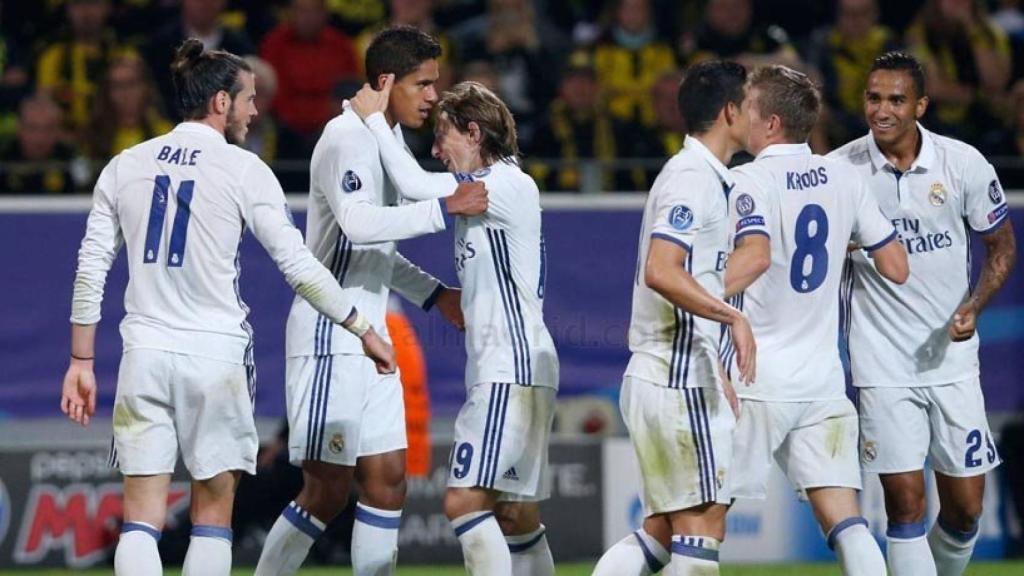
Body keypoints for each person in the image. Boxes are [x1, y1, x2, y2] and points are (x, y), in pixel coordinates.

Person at [58, 39, 395, 576]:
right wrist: (359, 326)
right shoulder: (244, 169)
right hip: (214, 357)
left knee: (141, 520)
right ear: (220, 102)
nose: (256, 111)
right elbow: (299, 264)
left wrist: (81, 361)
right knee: (213, 517)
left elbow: (90, 266)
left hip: (144, 352)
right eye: (249, 99)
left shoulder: (125, 165)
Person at [254, 26, 488, 576]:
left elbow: (374, 252)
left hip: (371, 332)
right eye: (422, 84)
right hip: (327, 334)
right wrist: (446, 208)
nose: (433, 96)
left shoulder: (384, 141)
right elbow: (359, 227)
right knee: (326, 490)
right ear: (387, 81)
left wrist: (433, 295)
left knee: (387, 481)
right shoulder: (344, 138)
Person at [349, 78, 560, 576]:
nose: (438, 151)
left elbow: (415, 185)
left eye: (442, 138)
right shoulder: (494, 192)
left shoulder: (501, 185)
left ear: (473, 132)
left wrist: (374, 121)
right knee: (516, 515)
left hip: (509, 368)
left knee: (464, 503)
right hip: (520, 365)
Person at [830, 51, 1017, 576]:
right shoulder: (840, 171)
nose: (881, 110)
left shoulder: (963, 164)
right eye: (873, 98)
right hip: (880, 362)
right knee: (905, 504)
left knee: (965, 511)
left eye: (895, 99)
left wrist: (973, 307)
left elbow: (1001, 246)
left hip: (952, 362)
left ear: (921, 105)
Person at [722, 64, 907, 575]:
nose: (740, 112)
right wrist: (843, 242)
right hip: (823, 381)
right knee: (847, 523)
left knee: (695, 521)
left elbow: (749, 260)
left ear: (772, 122)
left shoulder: (746, 180)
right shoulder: (844, 177)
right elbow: (897, 266)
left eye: (749, 105)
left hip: (754, 378)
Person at [592, 59, 755, 576]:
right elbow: (662, 269)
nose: (758, 116)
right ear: (730, 112)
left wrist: (716, 360)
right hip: (675, 379)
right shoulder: (692, 179)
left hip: (677, 373)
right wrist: (731, 317)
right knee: (702, 526)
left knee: (665, 527)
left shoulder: (705, 177)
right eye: (751, 105)